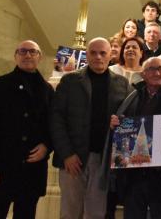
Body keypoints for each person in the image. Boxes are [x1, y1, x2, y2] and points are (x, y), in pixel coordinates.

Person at [51, 37, 133, 218]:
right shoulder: (70, 81)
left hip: (102, 160)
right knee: (70, 212)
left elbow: (129, 120)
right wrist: (66, 154)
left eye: (102, 53)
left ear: (111, 55)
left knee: (96, 213)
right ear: (86, 55)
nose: (98, 57)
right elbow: (56, 119)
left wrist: (120, 122)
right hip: (73, 158)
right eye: (93, 53)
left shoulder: (122, 84)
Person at [0, 40, 53, 219]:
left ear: (39, 57)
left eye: (33, 52)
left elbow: (52, 124)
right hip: (2, 166)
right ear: (15, 56)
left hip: (32, 168)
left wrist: (47, 146)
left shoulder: (48, 90)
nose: (27, 55)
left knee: (26, 214)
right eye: (23, 51)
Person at [109, 57, 161, 219]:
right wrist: (115, 123)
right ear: (143, 74)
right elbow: (120, 128)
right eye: (152, 69)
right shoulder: (130, 99)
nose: (157, 72)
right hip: (134, 178)